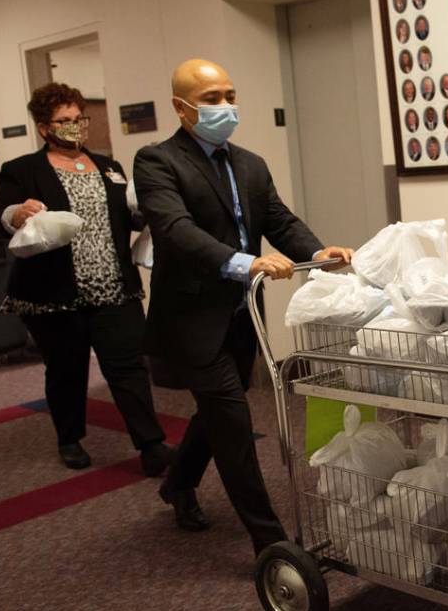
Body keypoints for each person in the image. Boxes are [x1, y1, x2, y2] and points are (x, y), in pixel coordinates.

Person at [134, 59, 352, 543]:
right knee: (233, 424)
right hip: (192, 318)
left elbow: (279, 219)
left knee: (214, 415)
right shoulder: (157, 161)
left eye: (230, 96)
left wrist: (318, 252)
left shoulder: (250, 163)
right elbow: (175, 231)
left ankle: (178, 484)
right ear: (181, 107)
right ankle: (270, 541)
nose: (226, 107)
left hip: (241, 315)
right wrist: (244, 261)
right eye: (212, 99)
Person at [0, 82, 172, 474]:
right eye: (63, 121)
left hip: (114, 289)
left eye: (79, 119)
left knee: (129, 369)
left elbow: (126, 216)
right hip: (54, 295)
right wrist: (17, 213)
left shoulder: (110, 167)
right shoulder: (23, 170)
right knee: (66, 370)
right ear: (44, 127)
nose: (74, 127)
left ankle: (152, 445)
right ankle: (69, 438)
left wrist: (150, 211)